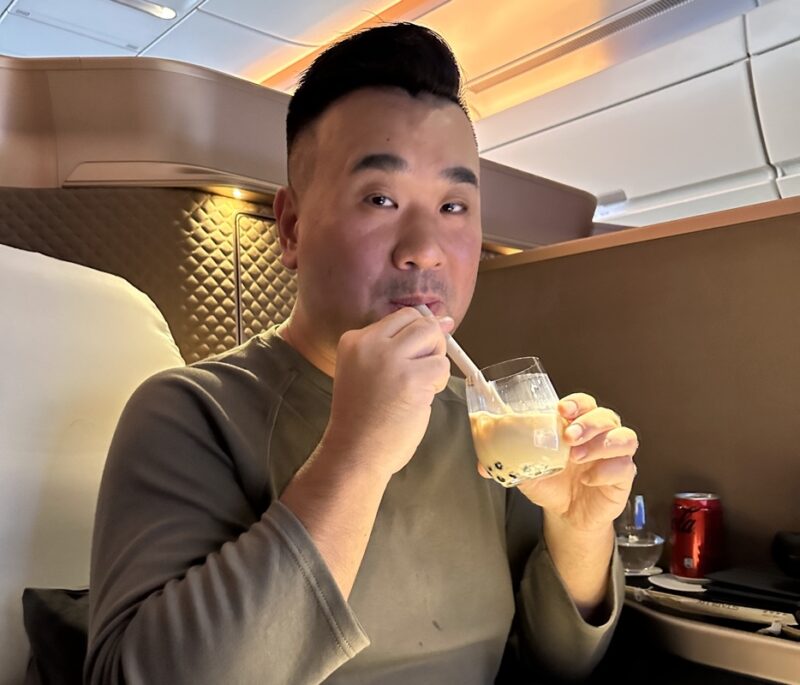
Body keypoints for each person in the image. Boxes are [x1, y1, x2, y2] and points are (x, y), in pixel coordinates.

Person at [86, 23, 638, 685]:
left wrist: (577, 526)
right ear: (290, 227)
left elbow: (555, 659)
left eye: (454, 205)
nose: (426, 247)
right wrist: (357, 452)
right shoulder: (188, 412)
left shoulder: (488, 421)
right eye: (381, 198)